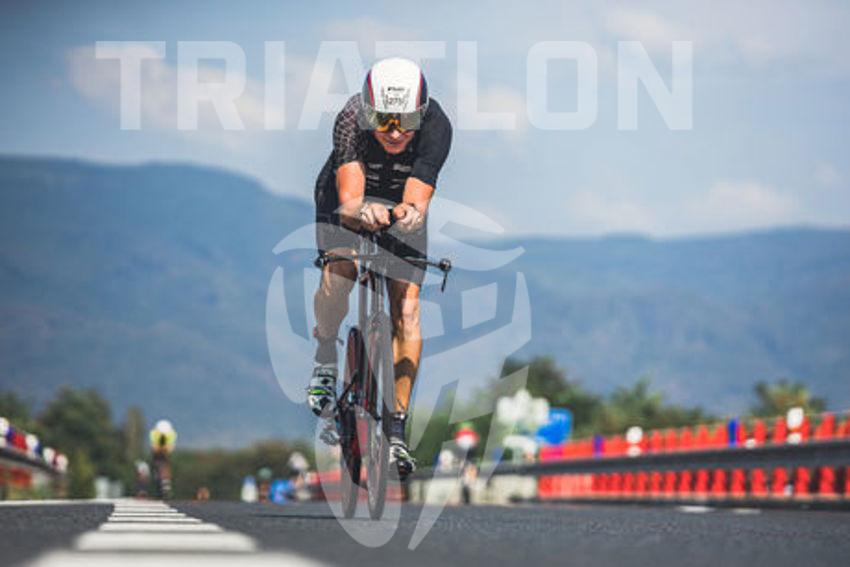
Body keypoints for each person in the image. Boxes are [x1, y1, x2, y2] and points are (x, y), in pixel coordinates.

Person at [307, 57, 452, 480]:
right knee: (340, 273)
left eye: (405, 121)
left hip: (400, 204)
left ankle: (397, 428)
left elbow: (417, 200)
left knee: (407, 311)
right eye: (382, 120)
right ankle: (325, 357)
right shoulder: (350, 118)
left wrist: (408, 215)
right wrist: (360, 212)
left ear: (420, 114)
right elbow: (350, 198)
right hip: (346, 199)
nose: (393, 131)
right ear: (368, 111)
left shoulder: (437, 126)